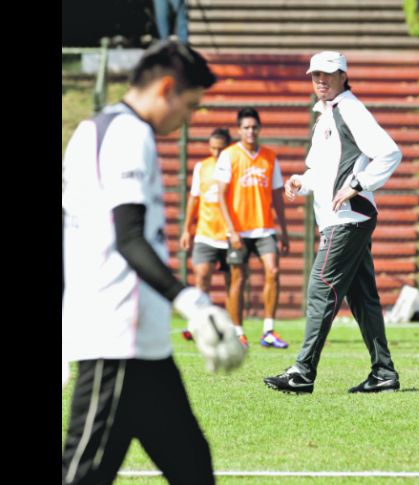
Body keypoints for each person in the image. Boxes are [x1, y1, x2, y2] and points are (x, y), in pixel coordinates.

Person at [62, 40, 246, 484]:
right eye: (191, 106)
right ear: (166, 88)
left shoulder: (99, 128)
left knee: (193, 469)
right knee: (82, 475)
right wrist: (193, 302)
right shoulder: (128, 133)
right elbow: (127, 237)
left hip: (144, 347)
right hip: (116, 343)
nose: (190, 120)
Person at [263, 51, 402, 394]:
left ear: (343, 75)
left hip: (348, 219)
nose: (320, 81)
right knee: (363, 299)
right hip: (344, 219)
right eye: (315, 75)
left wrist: (358, 185)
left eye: (327, 74)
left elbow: (390, 152)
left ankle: (303, 372)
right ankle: (384, 372)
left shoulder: (349, 109)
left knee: (321, 287)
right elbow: (323, 169)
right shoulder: (327, 113)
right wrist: (301, 180)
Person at [215, 107, 290, 349]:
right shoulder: (229, 155)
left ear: (260, 129)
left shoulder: (269, 157)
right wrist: (232, 230)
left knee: (274, 271)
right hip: (238, 230)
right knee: (238, 280)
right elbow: (221, 196)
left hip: (264, 228)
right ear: (239, 130)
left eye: (254, 127)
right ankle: (238, 332)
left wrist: (284, 230)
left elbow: (278, 195)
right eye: (246, 127)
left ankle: (268, 330)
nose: (251, 131)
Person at [179, 127, 233, 340]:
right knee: (201, 276)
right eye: (212, 148)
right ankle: (197, 324)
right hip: (206, 232)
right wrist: (186, 229)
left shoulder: (234, 167)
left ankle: (230, 325)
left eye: (220, 149)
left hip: (229, 234)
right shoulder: (202, 167)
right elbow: (194, 199)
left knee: (232, 282)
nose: (216, 153)